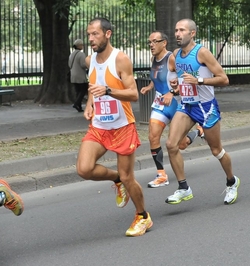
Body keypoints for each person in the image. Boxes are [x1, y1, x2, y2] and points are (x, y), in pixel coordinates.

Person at [76, 17, 152, 237]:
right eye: (89, 34)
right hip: (99, 125)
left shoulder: (121, 59)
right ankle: (115, 179)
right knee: (84, 169)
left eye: (95, 34)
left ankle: (142, 217)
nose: (91, 39)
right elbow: (93, 85)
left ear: (107, 34)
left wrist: (108, 91)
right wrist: (90, 104)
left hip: (122, 126)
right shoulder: (90, 60)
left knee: (129, 177)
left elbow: (133, 95)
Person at [165, 18, 240, 205]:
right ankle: (183, 188)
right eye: (176, 30)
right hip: (187, 105)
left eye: (182, 30)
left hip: (206, 108)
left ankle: (232, 181)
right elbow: (179, 77)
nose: (177, 34)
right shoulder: (176, 54)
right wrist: (176, 83)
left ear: (192, 33)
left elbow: (224, 79)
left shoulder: (202, 53)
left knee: (216, 150)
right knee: (171, 145)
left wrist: (199, 81)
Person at [141, 31, 204, 188]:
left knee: (180, 145)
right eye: (150, 42)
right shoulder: (153, 59)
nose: (151, 45)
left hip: (177, 103)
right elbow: (156, 77)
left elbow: (187, 77)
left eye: (155, 41)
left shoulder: (172, 59)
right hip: (160, 104)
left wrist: (172, 92)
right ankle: (161, 175)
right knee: (153, 137)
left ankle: (197, 132)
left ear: (164, 43)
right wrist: (149, 86)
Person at [69, 39, 88, 112]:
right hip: (80, 75)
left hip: (73, 75)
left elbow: (69, 64)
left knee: (78, 91)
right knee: (83, 90)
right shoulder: (81, 54)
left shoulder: (71, 54)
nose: (82, 46)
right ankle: (76, 103)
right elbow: (83, 65)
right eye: (82, 45)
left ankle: (79, 106)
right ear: (79, 46)